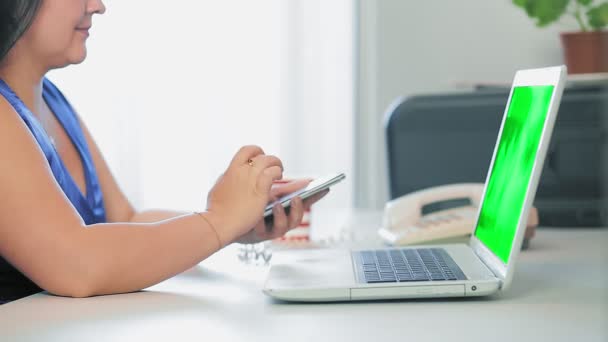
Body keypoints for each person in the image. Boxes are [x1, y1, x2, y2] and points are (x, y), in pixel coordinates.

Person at [0, 0, 327, 304]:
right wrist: (219, 221)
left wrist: (236, 224)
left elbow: (127, 221)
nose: (97, 6)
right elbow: (76, 265)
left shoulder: (51, 101)